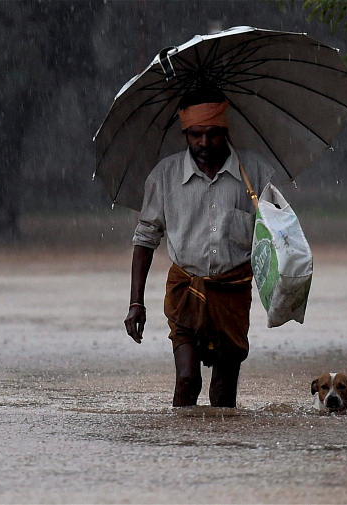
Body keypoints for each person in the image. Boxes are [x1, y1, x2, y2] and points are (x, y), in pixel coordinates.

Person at [124, 88, 274, 408]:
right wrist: (136, 302)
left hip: (233, 292)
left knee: (223, 392)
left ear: (225, 131)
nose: (204, 144)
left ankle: (223, 452)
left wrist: (281, 295)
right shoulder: (165, 176)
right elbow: (145, 238)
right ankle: (182, 451)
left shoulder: (256, 175)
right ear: (185, 133)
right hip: (185, 291)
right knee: (187, 379)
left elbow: (277, 238)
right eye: (195, 135)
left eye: (212, 134)